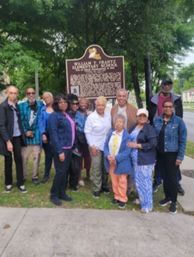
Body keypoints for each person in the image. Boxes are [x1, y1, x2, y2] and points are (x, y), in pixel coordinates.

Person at [148, 78, 184, 195]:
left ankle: (176, 182)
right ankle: (157, 181)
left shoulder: (177, 100)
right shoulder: (153, 99)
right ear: (161, 86)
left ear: (171, 86)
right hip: (158, 133)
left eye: (169, 85)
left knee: (173, 162)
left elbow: (180, 117)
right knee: (159, 160)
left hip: (172, 134)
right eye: (165, 84)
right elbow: (150, 117)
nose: (167, 87)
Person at [154, 100, 187, 214]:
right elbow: (155, 137)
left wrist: (180, 157)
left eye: (170, 107)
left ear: (173, 108)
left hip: (172, 154)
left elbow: (182, 141)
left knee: (172, 178)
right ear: (162, 108)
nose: (168, 109)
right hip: (160, 154)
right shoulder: (157, 120)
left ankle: (173, 202)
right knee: (165, 177)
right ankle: (167, 197)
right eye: (165, 107)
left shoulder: (179, 122)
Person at [127, 108, 157, 213]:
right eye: (140, 116)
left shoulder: (149, 129)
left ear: (147, 117)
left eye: (144, 116)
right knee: (138, 181)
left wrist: (137, 145)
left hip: (145, 159)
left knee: (145, 182)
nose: (142, 118)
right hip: (135, 158)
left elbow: (153, 144)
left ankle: (148, 206)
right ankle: (142, 199)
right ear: (137, 117)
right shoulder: (134, 127)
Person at [0, 86, 27, 193]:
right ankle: (8, 183)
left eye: (15, 93)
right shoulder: (3, 106)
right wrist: (7, 141)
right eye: (11, 93)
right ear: (7, 93)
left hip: (17, 137)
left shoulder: (17, 106)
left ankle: (20, 183)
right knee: (8, 160)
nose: (13, 95)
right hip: (8, 137)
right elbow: (1, 125)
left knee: (18, 159)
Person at [49, 94, 74, 206]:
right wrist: (59, 151)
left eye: (65, 102)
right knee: (60, 172)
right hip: (61, 148)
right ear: (56, 104)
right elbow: (53, 135)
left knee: (64, 172)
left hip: (69, 148)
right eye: (60, 102)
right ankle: (54, 195)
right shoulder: (54, 116)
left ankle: (62, 193)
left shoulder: (67, 114)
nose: (63, 104)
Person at [111, 89, 137, 195]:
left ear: (126, 97)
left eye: (123, 96)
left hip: (128, 140)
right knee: (118, 164)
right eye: (119, 96)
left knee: (128, 165)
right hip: (117, 140)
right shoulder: (113, 109)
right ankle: (117, 187)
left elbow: (137, 124)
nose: (121, 98)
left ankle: (128, 188)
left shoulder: (133, 109)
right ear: (116, 97)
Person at [84, 96, 111, 198]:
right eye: (98, 105)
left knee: (105, 167)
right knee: (97, 167)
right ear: (95, 106)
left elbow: (110, 130)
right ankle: (96, 188)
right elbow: (87, 132)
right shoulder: (91, 117)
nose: (100, 107)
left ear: (105, 106)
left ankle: (104, 185)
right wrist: (92, 146)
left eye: (102, 105)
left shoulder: (108, 115)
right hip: (95, 146)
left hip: (107, 146)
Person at [104, 114, 132, 209]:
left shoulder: (127, 136)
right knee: (114, 180)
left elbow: (127, 151)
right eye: (116, 121)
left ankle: (122, 198)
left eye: (120, 122)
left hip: (122, 162)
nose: (118, 123)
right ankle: (116, 196)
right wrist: (107, 155)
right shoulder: (111, 133)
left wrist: (116, 158)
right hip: (111, 162)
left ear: (124, 123)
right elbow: (105, 145)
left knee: (122, 181)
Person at [19, 88, 43, 185]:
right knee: (24, 157)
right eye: (29, 93)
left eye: (33, 93)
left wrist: (34, 131)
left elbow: (41, 120)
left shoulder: (40, 105)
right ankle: (23, 176)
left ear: (35, 94)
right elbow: (19, 121)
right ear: (26, 94)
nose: (31, 95)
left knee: (36, 157)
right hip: (25, 136)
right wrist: (25, 132)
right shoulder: (21, 106)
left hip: (36, 135)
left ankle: (35, 177)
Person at [66, 93, 83, 192]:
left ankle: (73, 184)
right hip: (67, 144)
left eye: (77, 104)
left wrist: (78, 128)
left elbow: (83, 128)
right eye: (73, 104)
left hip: (77, 144)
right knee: (66, 166)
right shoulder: (65, 114)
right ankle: (65, 183)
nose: (76, 106)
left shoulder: (79, 115)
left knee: (75, 167)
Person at [38, 92, 54, 183]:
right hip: (46, 134)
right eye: (44, 98)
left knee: (57, 154)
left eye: (48, 97)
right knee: (48, 156)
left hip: (56, 134)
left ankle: (60, 174)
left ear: (52, 97)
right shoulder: (42, 109)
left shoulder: (57, 108)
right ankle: (46, 175)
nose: (46, 99)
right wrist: (43, 134)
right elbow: (40, 123)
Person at [77, 97, 91, 186]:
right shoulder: (76, 114)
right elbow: (77, 127)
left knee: (88, 158)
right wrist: (83, 129)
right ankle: (79, 177)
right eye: (81, 103)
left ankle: (88, 174)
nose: (83, 105)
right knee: (79, 158)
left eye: (85, 103)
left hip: (88, 139)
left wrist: (81, 129)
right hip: (79, 139)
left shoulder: (90, 114)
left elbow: (90, 126)